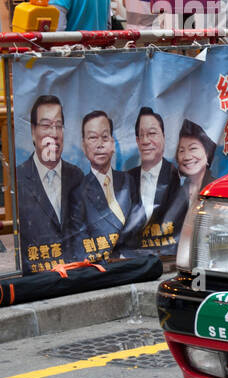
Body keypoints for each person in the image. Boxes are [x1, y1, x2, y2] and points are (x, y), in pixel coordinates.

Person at [16, 95, 86, 274]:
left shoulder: (76, 175)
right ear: (33, 131)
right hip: (38, 277)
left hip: (76, 273)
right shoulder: (19, 179)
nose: (53, 134)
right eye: (46, 125)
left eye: (58, 125)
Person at [78, 109, 143, 260]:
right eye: (93, 138)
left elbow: (137, 222)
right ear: (84, 146)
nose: (100, 144)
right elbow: (78, 238)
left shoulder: (128, 180)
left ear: (113, 143)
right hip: (99, 265)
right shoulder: (77, 191)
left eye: (105, 137)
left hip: (132, 260)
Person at [123, 107, 186, 257]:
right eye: (141, 135)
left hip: (167, 257)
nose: (146, 141)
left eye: (151, 134)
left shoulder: (178, 177)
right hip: (130, 258)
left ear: (163, 137)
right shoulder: (125, 179)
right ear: (137, 141)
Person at [175, 119, 217, 210]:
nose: (186, 157)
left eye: (193, 148)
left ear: (207, 153)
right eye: (181, 150)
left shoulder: (216, 188)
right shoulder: (175, 191)